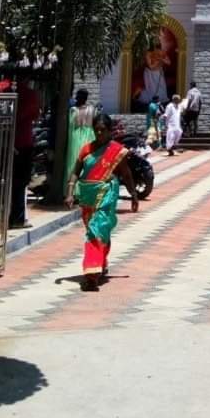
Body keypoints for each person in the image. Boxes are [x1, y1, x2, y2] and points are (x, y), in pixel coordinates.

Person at [65, 113, 138, 290]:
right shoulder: (86, 150)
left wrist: (133, 194)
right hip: (88, 196)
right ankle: (101, 262)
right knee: (100, 232)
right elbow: (76, 172)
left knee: (95, 230)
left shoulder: (116, 151)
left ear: (109, 131)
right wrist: (70, 192)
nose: (99, 133)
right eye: (96, 130)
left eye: (103, 130)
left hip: (106, 194)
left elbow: (126, 173)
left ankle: (91, 274)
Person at [9, 75, 41, 229]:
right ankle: (18, 217)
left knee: (5, 181)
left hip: (5, 139)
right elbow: (35, 115)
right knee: (20, 182)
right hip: (22, 141)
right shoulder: (29, 94)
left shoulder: (2, 89)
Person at [63, 88, 96, 192]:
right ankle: (76, 191)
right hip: (81, 139)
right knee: (78, 163)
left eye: (79, 96)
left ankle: (78, 190)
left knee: (80, 163)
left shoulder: (86, 110)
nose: (77, 98)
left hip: (82, 140)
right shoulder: (75, 110)